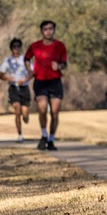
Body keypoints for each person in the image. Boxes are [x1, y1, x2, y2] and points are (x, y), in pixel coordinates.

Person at [25, 20, 68, 151]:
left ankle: (51, 139)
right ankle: (44, 135)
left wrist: (58, 66)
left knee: (55, 112)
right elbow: (27, 58)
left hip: (55, 81)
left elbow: (64, 63)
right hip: (40, 81)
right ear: (42, 31)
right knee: (42, 109)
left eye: (50, 29)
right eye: (45, 29)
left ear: (54, 30)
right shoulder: (35, 46)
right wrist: (29, 70)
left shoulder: (60, 46)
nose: (48, 31)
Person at [0, 38, 34, 142]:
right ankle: (20, 134)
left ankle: (26, 117)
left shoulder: (25, 59)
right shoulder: (7, 60)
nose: (16, 48)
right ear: (11, 48)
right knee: (17, 110)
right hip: (13, 87)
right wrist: (8, 78)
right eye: (14, 46)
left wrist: (24, 80)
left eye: (18, 46)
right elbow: (1, 75)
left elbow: (32, 73)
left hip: (24, 87)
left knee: (25, 114)